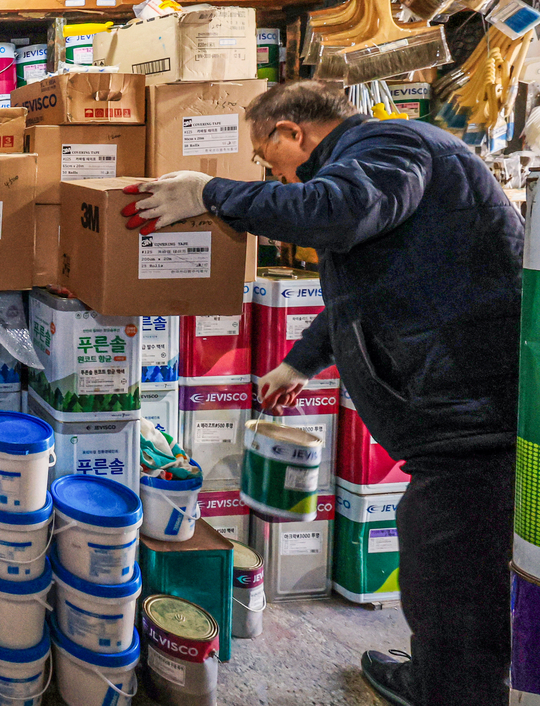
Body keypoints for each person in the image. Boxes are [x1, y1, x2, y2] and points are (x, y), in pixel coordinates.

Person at [123, 80, 519, 706]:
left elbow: (337, 212)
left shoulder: (393, 146)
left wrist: (209, 192)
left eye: (266, 159)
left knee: (450, 575)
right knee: (445, 563)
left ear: (290, 133)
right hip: (451, 408)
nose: (273, 176)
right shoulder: (382, 159)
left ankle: (453, 690)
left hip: (467, 415)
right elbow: (364, 286)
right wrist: (300, 364)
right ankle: (443, 677)